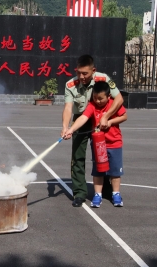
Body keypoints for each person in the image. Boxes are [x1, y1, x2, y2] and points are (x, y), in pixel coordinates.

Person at [61, 55, 124, 207]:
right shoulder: (70, 85)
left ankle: (107, 190)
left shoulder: (103, 79)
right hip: (81, 118)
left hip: (100, 119)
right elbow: (68, 107)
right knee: (77, 156)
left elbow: (119, 99)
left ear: (93, 71)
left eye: (85, 73)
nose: (81, 76)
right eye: (78, 73)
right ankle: (79, 193)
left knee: (102, 155)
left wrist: (107, 117)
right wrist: (66, 127)